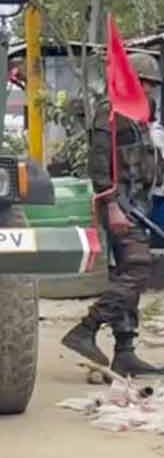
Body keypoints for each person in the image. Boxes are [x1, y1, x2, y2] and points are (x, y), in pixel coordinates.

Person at [61, 51, 163, 376]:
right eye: (144, 82)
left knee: (126, 274)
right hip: (119, 206)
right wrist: (112, 206)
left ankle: (125, 351)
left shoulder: (143, 115)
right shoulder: (110, 114)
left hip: (140, 204)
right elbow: (99, 168)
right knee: (137, 266)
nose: (149, 89)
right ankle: (85, 329)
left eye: (152, 84)